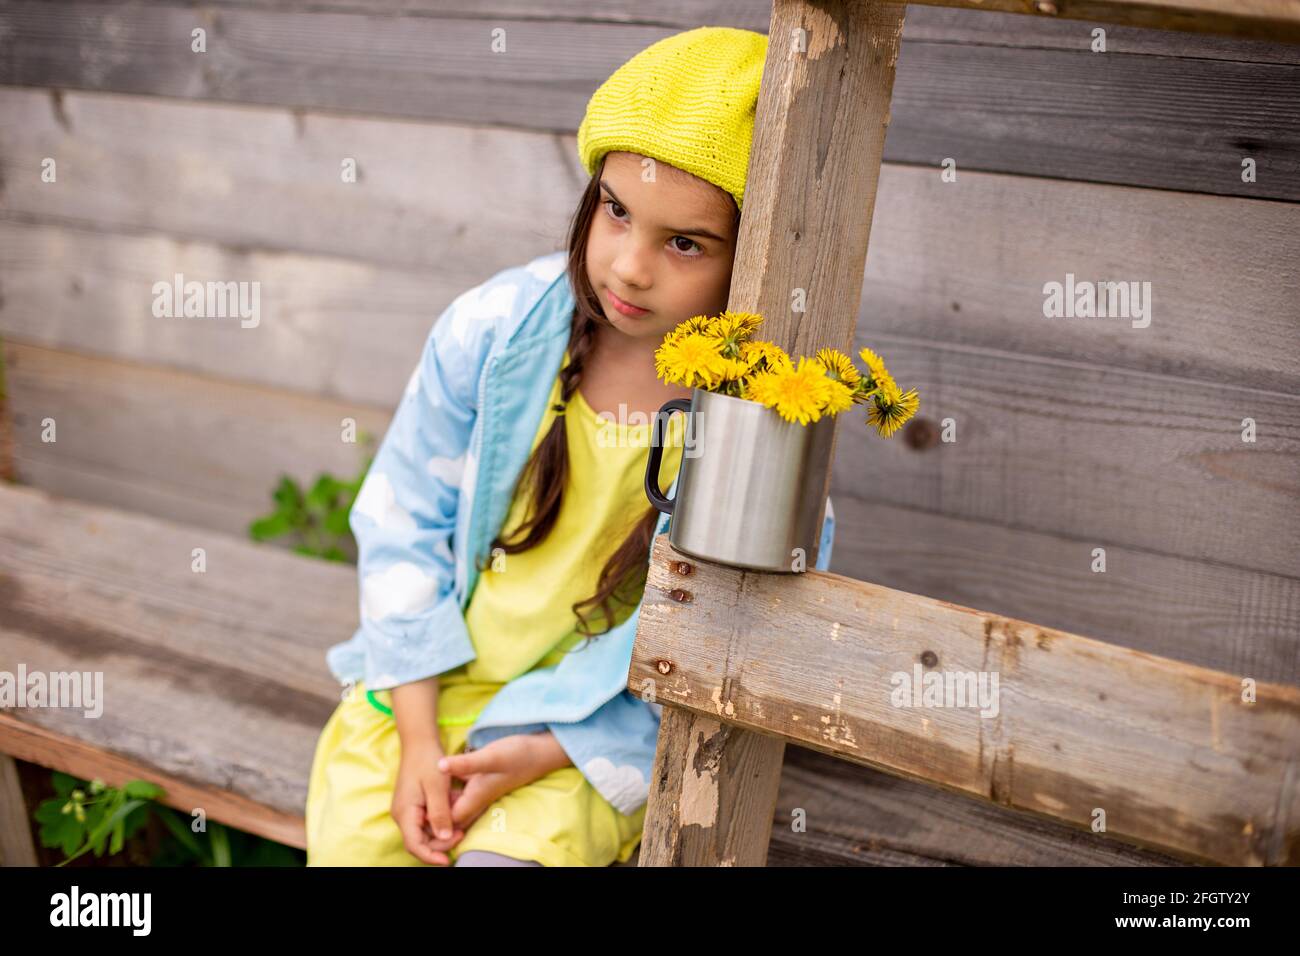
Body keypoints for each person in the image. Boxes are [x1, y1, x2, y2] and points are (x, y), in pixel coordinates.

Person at [304, 25, 837, 867]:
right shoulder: (493, 331)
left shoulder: (755, 425)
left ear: (755, 257)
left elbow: (737, 631)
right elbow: (401, 522)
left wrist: (554, 749)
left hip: (590, 728)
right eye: (618, 211)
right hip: (429, 689)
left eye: (684, 243)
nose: (628, 267)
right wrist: (414, 741)